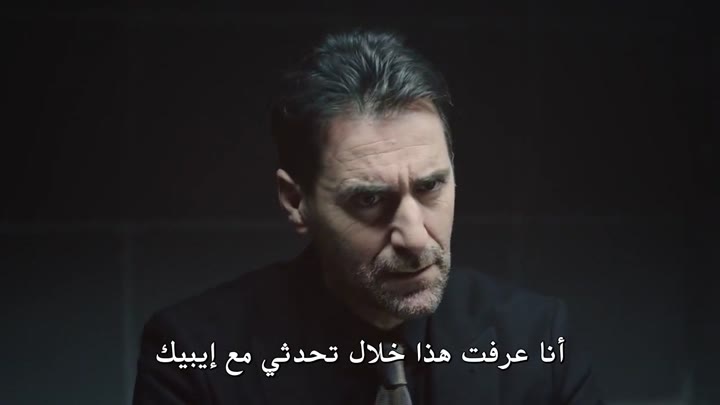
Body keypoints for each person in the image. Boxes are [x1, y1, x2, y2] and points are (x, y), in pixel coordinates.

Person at [132, 28, 605, 405]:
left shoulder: (538, 339)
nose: (415, 238)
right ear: (296, 201)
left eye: (430, 186)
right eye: (369, 200)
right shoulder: (195, 358)